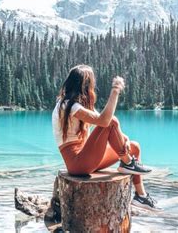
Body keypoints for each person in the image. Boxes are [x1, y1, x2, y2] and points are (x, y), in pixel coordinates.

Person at [52, 65, 158, 211]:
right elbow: (105, 121)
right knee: (111, 121)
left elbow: (104, 122)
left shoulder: (78, 105)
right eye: (91, 83)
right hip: (77, 164)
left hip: (88, 158)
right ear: (84, 85)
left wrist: (123, 139)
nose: (93, 87)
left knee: (134, 147)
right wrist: (115, 91)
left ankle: (141, 196)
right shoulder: (66, 106)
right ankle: (127, 163)